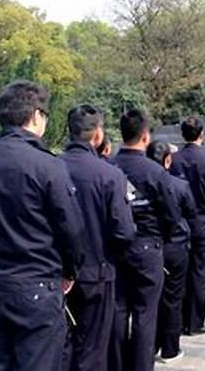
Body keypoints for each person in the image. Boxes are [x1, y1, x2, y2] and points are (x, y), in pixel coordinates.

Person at [0, 80, 84, 371]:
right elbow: (70, 229)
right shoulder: (47, 165)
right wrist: (70, 270)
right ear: (36, 115)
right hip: (37, 284)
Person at [60, 105, 136, 371]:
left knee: (61, 346)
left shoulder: (51, 168)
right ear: (97, 134)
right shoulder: (109, 174)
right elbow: (124, 231)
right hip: (98, 271)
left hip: (56, 274)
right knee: (92, 349)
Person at [110, 109, 182, 371]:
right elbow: (172, 215)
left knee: (117, 310)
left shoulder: (109, 167)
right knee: (145, 313)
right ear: (145, 136)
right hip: (147, 248)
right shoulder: (155, 172)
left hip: (115, 247)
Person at [169, 117, 205, 336]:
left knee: (177, 274)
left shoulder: (172, 161)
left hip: (177, 222)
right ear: (202, 134)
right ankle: (194, 322)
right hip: (203, 223)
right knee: (199, 273)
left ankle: (177, 320)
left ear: (183, 134)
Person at [146, 141, 196, 364]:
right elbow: (190, 213)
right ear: (167, 160)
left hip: (149, 246)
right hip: (175, 247)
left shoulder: (139, 181)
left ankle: (149, 346)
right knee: (173, 298)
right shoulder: (179, 185)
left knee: (149, 299)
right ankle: (169, 348)